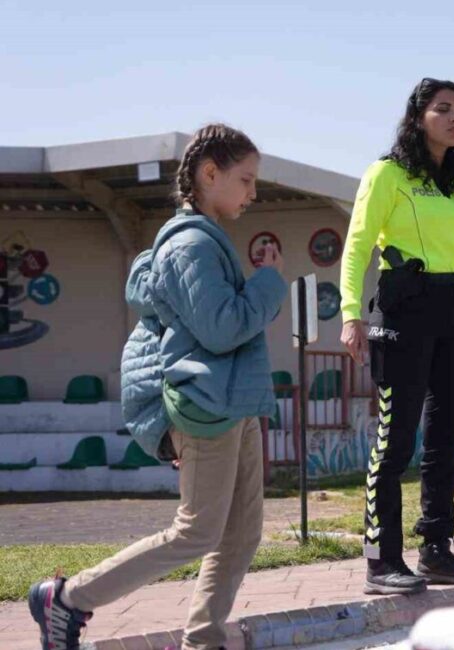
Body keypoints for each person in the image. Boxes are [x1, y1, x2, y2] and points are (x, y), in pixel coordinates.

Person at [27, 124, 287, 650]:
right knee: (197, 532)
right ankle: (69, 598)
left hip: (230, 403)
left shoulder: (207, 241)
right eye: (246, 179)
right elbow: (222, 328)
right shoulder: (191, 246)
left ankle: (203, 639)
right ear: (209, 174)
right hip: (206, 406)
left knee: (239, 535)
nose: (253, 193)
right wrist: (267, 283)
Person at [339, 78, 454, 595]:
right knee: (395, 439)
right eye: (443, 109)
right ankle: (380, 560)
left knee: (446, 440)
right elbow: (358, 243)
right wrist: (349, 314)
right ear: (418, 117)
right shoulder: (387, 174)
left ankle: (436, 550)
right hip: (404, 311)